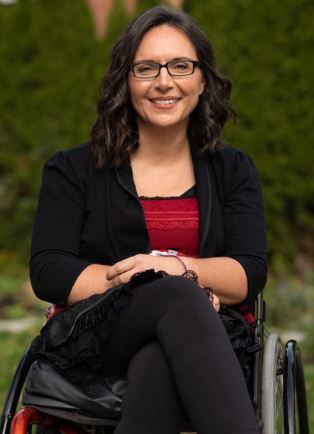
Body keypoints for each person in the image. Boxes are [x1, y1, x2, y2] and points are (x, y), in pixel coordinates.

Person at [30, 5, 267, 434]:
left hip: (207, 333)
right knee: (176, 297)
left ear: (201, 80)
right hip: (99, 335)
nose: (164, 81)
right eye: (146, 68)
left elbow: (249, 272)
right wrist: (157, 281)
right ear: (125, 80)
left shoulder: (234, 169)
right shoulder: (71, 169)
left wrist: (179, 268)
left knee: (160, 356)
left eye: (180, 66)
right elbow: (50, 271)